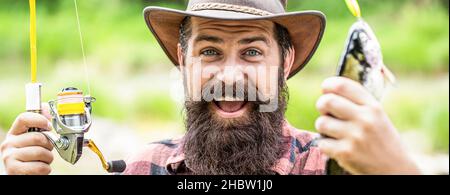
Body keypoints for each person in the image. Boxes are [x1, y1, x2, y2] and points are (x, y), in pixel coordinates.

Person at [0, 0, 420, 175]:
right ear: (183, 62)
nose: (230, 76)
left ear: (285, 62)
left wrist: (399, 170)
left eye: (253, 52)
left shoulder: (337, 165)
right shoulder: (148, 167)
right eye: (210, 52)